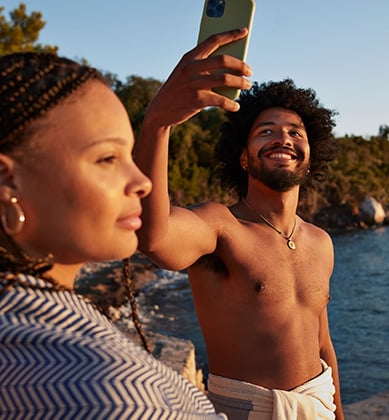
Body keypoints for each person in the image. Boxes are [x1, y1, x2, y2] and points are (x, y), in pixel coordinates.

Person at [0, 52, 225, 418]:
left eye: (129, 156)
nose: (142, 182)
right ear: (5, 180)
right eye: (107, 159)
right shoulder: (115, 396)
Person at [136, 28, 344, 419]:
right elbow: (154, 236)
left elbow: (323, 344)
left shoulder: (321, 242)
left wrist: (338, 413)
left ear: (310, 157)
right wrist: (158, 123)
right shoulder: (220, 225)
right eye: (266, 132)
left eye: (294, 132)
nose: (282, 138)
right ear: (244, 158)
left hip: (318, 407)